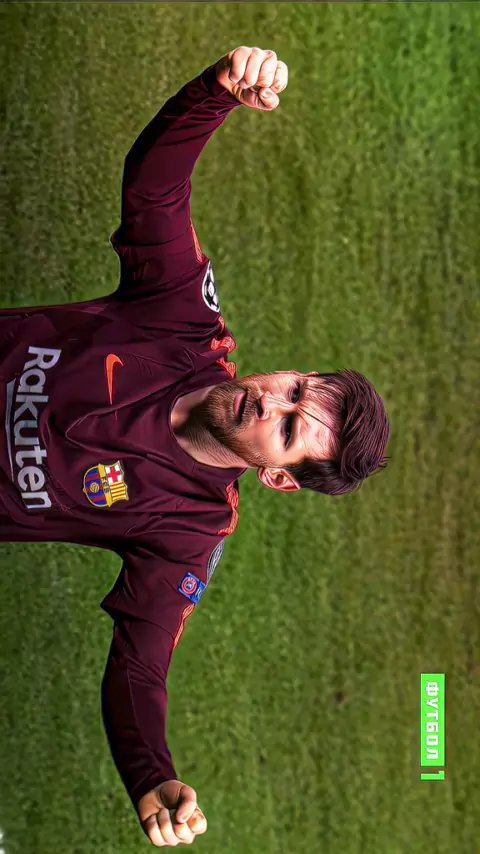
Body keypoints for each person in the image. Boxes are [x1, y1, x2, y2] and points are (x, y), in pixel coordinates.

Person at [0, 45, 390, 847]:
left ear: (280, 478)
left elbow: (140, 667)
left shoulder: (187, 532)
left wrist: (152, 775)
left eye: (288, 427)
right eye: (294, 387)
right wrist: (216, 91)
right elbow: (154, 191)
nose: (269, 398)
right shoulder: (184, 324)